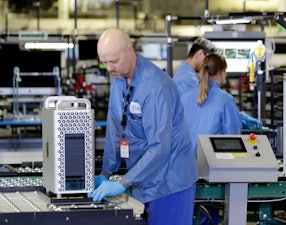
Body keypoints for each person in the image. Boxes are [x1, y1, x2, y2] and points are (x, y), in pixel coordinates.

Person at [92, 28, 198, 225]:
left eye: (113, 61)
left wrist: (122, 183)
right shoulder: (118, 79)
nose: (109, 68)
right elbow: (115, 126)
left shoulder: (156, 87)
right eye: (104, 62)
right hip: (141, 179)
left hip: (169, 181)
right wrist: (106, 172)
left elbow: (160, 147)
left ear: (129, 50)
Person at [181, 53, 242, 225]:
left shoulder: (185, 98)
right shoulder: (225, 100)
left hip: (185, 170)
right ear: (222, 72)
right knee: (209, 216)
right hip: (212, 172)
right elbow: (234, 140)